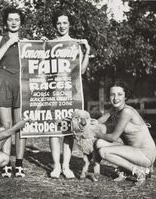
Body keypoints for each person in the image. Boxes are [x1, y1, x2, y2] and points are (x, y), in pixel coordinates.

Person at [43, 10, 91, 179]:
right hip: (54, 92)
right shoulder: (49, 44)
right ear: (55, 25)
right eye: (58, 23)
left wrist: (87, 50)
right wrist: (41, 46)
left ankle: (66, 166)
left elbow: (82, 70)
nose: (62, 26)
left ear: (69, 24)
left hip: (71, 92)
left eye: (65, 22)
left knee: (69, 130)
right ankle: (56, 166)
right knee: (54, 130)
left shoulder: (75, 44)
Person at [0, 7, 27, 178]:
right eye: (10, 19)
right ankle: (5, 163)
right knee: (6, 126)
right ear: (6, 22)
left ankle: (18, 164)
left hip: (21, 81)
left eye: (16, 20)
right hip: (3, 79)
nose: (13, 22)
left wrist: (43, 44)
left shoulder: (26, 41)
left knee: (20, 126)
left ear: (21, 22)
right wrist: (9, 43)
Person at [94, 81, 156, 185]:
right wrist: (84, 121)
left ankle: (138, 171)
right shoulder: (114, 109)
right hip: (133, 151)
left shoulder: (126, 111)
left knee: (104, 152)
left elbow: (113, 137)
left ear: (125, 96)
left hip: (145, 154)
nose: (115, 98)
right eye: (112, 94)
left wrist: (96, 133)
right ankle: (126, 170)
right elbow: (99, 121)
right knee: (99, 143)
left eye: (119, 94)